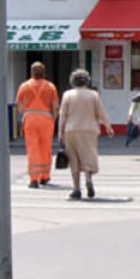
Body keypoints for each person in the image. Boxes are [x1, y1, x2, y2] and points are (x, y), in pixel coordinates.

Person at [57, 69, 114, 200]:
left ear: (73, 81)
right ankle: (88, 178)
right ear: (87, 81)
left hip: (71, 130)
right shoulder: (93, 95)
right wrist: (108, 126)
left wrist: (60, 131)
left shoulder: (67, 95)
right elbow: (101, 113)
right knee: (88, 155)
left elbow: (62, 115)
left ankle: (76, 189)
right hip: (89, 130)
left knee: (74, 159)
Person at [16, 61, 59, 188]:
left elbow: (19, 105)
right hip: (46, 118)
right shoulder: (50, 86)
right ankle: (45, 176)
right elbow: (55, 106)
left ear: (31, 72)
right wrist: (53, 119)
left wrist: (27, 113)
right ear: (44, 72)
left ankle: (34, 179)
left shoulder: (24, 86)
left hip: (30, 118)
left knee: (32, 148)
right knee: (46, 148)